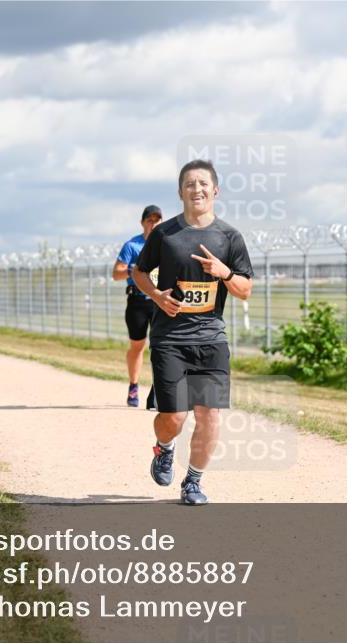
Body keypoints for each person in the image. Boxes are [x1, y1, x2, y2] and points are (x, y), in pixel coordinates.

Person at [132, 159, 253, 506]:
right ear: (180, 191)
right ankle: (164, 448)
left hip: (211, 338)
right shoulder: (165, 234)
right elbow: (140, 273)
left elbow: (245, 289)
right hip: (170, 338)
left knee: (209, 414)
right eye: (189, 184)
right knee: (173, 417)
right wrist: (156, 295)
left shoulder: (230, 237)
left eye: (203, 183)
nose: (196, 189)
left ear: (215, 190)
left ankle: (193, 482)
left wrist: (224, 272)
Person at [112, 204, 163, 407]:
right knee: (138, 346)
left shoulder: (166, 245)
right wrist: (132, 270)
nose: (153, 223)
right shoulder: (132, 246)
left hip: (159, 301)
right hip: (137, 302)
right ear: (143, 223)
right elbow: (116, 273)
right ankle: (134, 386)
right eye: (149, 220)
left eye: (157, 220)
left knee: (162, 346)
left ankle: (159, 390)